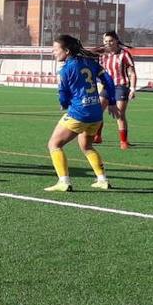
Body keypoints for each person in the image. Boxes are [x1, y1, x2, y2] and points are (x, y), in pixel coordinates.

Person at [45, 34, 120, 192]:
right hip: (96, 112)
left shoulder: (66, 69)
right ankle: (102, 180)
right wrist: (112, 101)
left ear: (66, 51)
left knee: (54, 144)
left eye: (55, 49)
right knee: (86, 146)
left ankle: (63, 181)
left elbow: (63, 93)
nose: (53, 52)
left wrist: (64, 104)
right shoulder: (90, 62)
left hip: (79, 113)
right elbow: (108, 80)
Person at [95, 31, 137, 149]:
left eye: (110, 41)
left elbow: (132, 73)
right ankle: (97, 136)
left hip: (121, 86)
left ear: (116, 41)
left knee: (119, 114)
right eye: (105, 41)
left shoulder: (124, 54)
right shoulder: (103, 55)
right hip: (107, 86)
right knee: (98, 111)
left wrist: (133, 89)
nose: (108, 43)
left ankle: (123, 141)